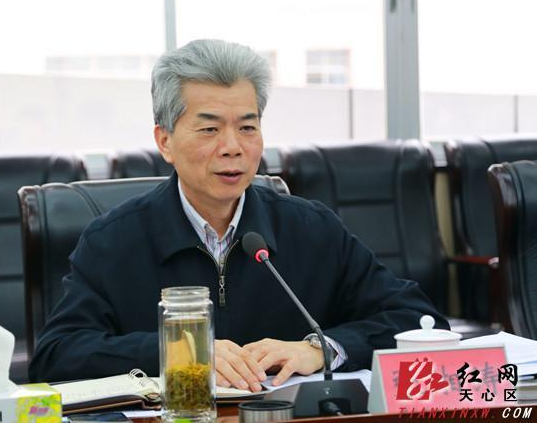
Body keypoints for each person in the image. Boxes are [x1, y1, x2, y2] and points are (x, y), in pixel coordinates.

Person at [29, 39, 449, 390]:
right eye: (209, 129)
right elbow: (56, 355)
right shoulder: (113, 240)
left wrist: (319, 348)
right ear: (165, 141)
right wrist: (180, 352)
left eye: (247, 127)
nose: (233, 147)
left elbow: (417, 320)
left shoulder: (310, 229)